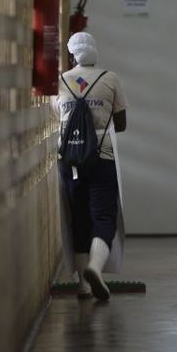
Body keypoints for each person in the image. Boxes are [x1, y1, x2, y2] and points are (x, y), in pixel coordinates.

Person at [53, 32, 127, 300]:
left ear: (72, 55)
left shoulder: (60, 81)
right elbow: (121, 124)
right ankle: (95, 268)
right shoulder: (110, 78)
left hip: (70, 160)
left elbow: (59, 119)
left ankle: (83, 285)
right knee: (104, 218)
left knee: (79, 218)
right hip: (102, 157)